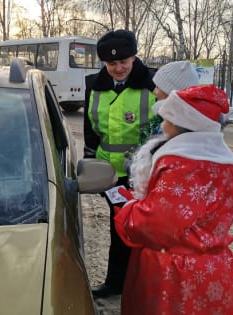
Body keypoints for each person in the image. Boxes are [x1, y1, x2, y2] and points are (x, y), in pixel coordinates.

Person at [114, 84, 233, 314]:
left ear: (182, 125)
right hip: (214, 268)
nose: (162, 125)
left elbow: (157, 225)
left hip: (176, 275)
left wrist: (128, 210)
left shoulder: (181, 165)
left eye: (167, 119)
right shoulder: (221, 161)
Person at [83, 29, 157, 298]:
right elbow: (91, 131)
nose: (118, 68)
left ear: (134, 57)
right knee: (121, 228)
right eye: (112, 64)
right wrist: (90, 164)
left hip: (144, 175)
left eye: (123, 61)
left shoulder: (152, 84)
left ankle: (145, 284)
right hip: (111, 176)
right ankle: (116, 283)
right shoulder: (94, 84)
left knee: (145, 231)